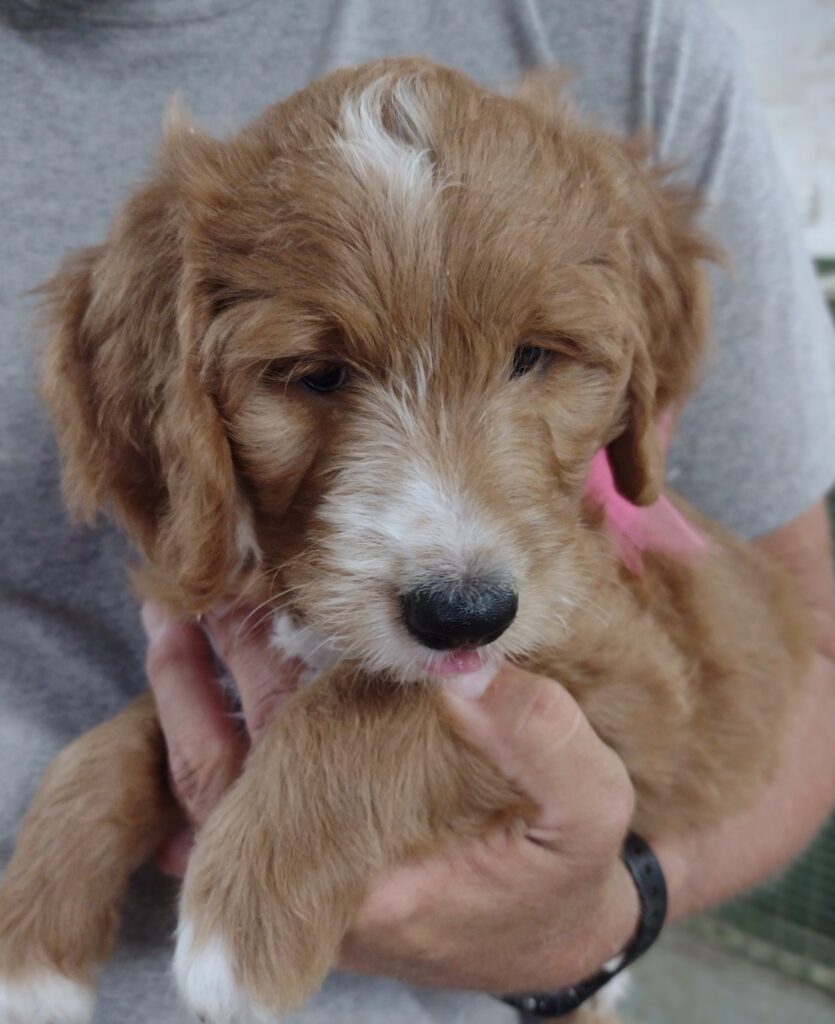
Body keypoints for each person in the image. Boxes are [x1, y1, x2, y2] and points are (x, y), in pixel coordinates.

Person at [2, 1, 834, 1021]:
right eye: (312, 375)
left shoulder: (639, 34)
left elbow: (778, 678)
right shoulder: (170, 303)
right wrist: (89, 817)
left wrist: (600, 923)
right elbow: (239, 699)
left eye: (535, 359)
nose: (451, 536)